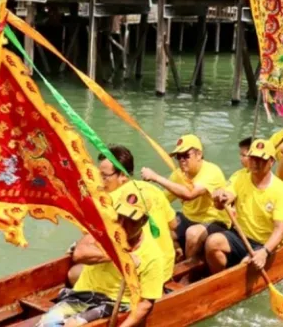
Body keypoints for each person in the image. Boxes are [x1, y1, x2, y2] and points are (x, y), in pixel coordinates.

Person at [36, 191, 164, 327]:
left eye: (130, 220)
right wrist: (119, 256)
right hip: (81, 296)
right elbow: (79, 254)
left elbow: (146, 304)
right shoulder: (105, 231)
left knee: (72, 325)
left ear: (143, 221)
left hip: (115, 304)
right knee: (45, 323)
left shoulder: (153, 255)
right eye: (119, 217)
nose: (122, 224)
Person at [66, 147, 178, 289]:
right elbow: (173, 225)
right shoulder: (153, 189)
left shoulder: (107, 203)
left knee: (74, 272)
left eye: (104, 176)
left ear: (123, 176)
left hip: (138, 277)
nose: (98, 181)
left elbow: (83, 252)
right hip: (164, 271)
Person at [205, 140, 283, 274]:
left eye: (261, 159)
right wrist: (219, 198)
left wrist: (264, 252)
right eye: (253, 158)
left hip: (264, 243)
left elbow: (280, 230)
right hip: (240, 236)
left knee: (246, 266)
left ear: (271, 162)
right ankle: (218, 279)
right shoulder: (240, 177)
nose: (256, 163)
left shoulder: (281, 190)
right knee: (212, 242)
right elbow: (226, 199)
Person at [140, 135, 229, 261]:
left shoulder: (211, 171)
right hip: (188, 218)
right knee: (159, 223)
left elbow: (189, 194)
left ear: (198, 155)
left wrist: (156, 177)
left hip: (214, 222)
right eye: (178, 157)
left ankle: (188, 272)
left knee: (192, 233)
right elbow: (162, 199)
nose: (181, 160)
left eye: (186, 155)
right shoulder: (178, 175)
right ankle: (177, 251)